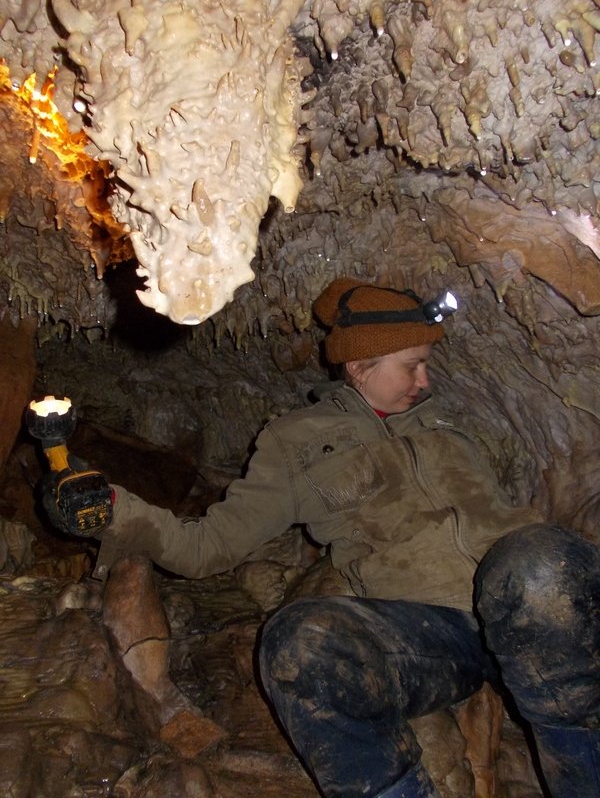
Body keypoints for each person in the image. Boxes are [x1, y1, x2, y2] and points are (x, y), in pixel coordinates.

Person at [56, 278, 600, 797]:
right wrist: (112, 511)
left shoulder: (444, 425)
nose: (425, 381)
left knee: (539, 561)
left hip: (531, 607)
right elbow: (209, 545)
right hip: (434, 633)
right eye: (412, 366)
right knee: (302, 641)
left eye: (426, 365)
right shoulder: (296, 442)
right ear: (360, 366)